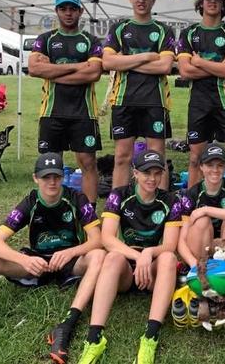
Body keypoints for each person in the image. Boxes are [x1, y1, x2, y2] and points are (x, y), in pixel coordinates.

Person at [0, 153, 105, 364]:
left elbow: (97, 240)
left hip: (70, 262)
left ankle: (66, 326)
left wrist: (71, 252)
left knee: (99, 255)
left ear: (63, 177)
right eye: (46, 177)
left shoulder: (77, 198)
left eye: (56, 176)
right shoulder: (30, 201)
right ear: (36, 178)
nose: (52, 182)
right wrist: (24, 260)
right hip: (37, 263)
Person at [76, 150, 182, 364]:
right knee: (112, 257)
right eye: (146, 173)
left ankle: (150, 337)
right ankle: (95, 338)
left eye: (156, 173)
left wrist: (149, 253)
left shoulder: (171, 199)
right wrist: (137, 255)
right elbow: (106, 237)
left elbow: (170, 245)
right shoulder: (119, 195)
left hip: (152, 270)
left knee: (169, 258)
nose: (152, 179)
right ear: (135, 173)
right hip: (126, 267)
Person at [28, 0, 104, 208]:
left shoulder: (90, 40)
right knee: (49, 165)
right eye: (63, 9)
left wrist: (53, 71)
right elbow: (34, 68)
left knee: (88, 163)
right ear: (57, 11)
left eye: (72, 9)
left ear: (80, 11)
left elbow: (93, 74)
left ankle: (89, 215)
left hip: (84, 112)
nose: (68, 13)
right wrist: (78, 66)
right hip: (52, 111)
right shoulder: (45, 40)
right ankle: (52, 210)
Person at [103, 0, 176, 190]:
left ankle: (161, 206)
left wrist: (124, 61)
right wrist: (145, 57)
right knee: (122, 157)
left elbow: (164, 67)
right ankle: (117, 205)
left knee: (157, 157)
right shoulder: (118, 28)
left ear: (153, 0)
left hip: (155, 101)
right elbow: (107, 61)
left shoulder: (164, 30)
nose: (141, 0)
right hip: (124, 100)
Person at [177, 0, 225, 194]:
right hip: (199, 103)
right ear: (202, 2)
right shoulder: (188, 34)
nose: (212, 2)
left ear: (223, 3)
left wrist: (200, 62)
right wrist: (219, 66)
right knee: (195, 158)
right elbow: (185, 72)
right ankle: (189, 206)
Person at [177, 143, 225, 268]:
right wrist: (193, 264)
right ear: (201, 167)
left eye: (220, 165)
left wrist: (206, 210)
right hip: (200, 252)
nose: (215, 170)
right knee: (202, 222)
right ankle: (203, 267)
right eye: (210, 165)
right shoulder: (191, 195)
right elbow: (181, 241)